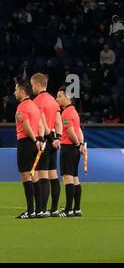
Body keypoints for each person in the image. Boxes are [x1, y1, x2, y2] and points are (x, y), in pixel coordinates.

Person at [29, 72, 62, 215]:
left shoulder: (37, 102)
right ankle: (53, 209)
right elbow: (58, 122)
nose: (32, 88)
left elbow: (41, 122)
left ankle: (41, 209)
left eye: (32, 85)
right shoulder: (53, 101)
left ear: (37, 84)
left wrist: (48, 138)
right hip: (53, 142)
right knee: (53, 175)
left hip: (43, 141)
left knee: (41, 176)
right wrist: (57, 138)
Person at [13, 81, 44, 220]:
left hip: (26, 142)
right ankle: (38, 210)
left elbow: (26, 126)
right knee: (34, 176)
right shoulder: (35, 106)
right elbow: (40, 125)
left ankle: (30, 210)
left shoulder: (21, 107)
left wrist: (35, 140)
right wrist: (40, 140)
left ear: (22, 91)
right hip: (35, 142)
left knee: (26, 176)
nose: (15, 92)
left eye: (16, 89)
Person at [56, 88, 85, 217]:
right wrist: (81, 144)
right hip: (75, 149)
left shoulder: (66, 113)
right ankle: (77, 208)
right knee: (75, 178)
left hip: (68, 148)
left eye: (59, 96)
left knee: (67, 178)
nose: (57, 99)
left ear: (67, 97)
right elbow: (79, 130)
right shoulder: (74, 112)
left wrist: (77, 143)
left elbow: (71, 131)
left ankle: (68, 209)